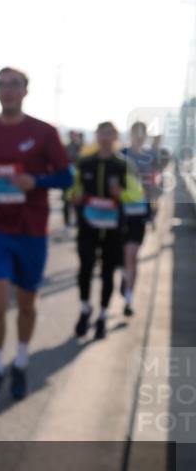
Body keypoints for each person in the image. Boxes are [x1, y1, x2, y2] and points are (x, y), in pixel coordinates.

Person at [0, 67, 72, 406]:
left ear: (25, 91)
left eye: (14, 85)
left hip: (31, 230)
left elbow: (66, 177)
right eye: (1, 84)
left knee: (26, 304)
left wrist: (36, 182)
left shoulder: (43, 132)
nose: (7, 90)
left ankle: (21, 362)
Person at [69, 122, 144, 340]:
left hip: (113, 229)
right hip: (88, 227)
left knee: (108, 272)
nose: (106, 137)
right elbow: (72, 190)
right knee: (85, 268)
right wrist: (74, 196)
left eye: (110, 133)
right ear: (96, 135)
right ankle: (85, 309)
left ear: (116, 136)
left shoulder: (123, 165)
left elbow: (136, 194)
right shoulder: (85, 163)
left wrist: (121, 193)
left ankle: (102, 315)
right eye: (102, 132)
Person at [120, 121, 165, 316]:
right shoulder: (121, 156)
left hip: (139, 214)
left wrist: (153, 205)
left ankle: (129, 298)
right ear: (130, 135)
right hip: (120, 214)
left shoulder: (150, 158)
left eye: (141, 133)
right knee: (123, 257)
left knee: (132, 255)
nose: (138, 137)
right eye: (135, 133)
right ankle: (125, 278)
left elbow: (156, 184)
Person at [62, 130, 84, 232]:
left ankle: (77, 221)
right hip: (68, 177)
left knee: (77, 201)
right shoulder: (66, 147)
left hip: (77, 179)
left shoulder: (80, 147)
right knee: (67, 201)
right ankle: (67, 223)